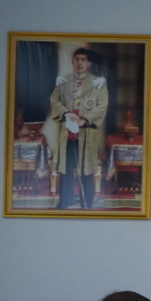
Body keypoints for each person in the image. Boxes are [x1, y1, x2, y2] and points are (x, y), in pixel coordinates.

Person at [47, 48, 108, 211]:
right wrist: (66, 113)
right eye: (77, 59)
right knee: (66, 169)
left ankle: (86, 202)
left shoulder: (98, 83)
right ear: (72, 62)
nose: (79, 63)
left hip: (86, 133)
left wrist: (84, 120)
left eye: (83, 59)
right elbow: (55, 100)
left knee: (86, 169)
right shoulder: (63, 81)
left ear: (89, 63)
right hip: (67, 133)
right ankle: (65, 201)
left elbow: (101, 106)